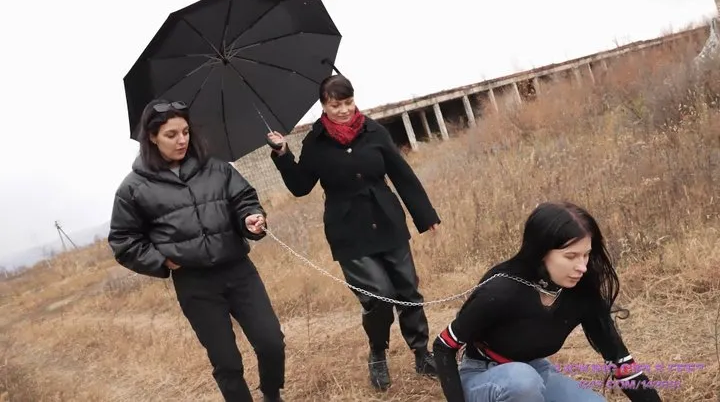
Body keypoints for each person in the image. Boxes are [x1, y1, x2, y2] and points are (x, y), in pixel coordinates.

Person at [266, 74, 440, 391]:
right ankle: (377, 352)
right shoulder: (315, 142)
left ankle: (421, 353)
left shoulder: (374, 131)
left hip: (387, 222)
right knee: (378, 295)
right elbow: (301, 187)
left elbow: (402, 173)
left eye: (348, 102)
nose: (344, 110)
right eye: (336, 105)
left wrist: (425, 215)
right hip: (349, 232)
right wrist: (282, 154)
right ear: (324, 106)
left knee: (407, 290)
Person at [107, 98, 286, 402]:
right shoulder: (133, 188)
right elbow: (123, 240)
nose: (182, 140)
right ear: (151, 137)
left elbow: (244, 199)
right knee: (227, 362)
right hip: (195, 284)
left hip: (238, 272)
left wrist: (251, 218)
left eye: (185, 132)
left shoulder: (215, 167)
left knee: (272, 343)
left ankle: (271, 393)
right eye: (171, 135)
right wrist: (161, 260)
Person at [432, 201, 662, 402]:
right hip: (483, 376)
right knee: (522, 383)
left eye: (586, 254)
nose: (582, 266)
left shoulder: (582, 292)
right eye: (570, 256)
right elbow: (443, 346)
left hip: (536, 371)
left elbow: (620, 360)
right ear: (542, 252)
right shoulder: (502, 291)